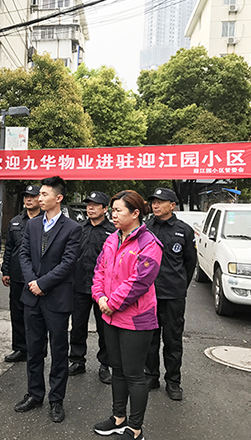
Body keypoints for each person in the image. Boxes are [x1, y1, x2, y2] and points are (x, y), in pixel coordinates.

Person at [92, 190, 162, 440]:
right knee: (118, 370)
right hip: (110, 315)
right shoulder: (112, 239)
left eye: (118, 210)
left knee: (134, 374)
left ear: (135, 213)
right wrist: (100, 296)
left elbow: (140, 281)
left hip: (136, 319)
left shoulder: (149, 243)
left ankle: (135, 428)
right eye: (112, 210)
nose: (113, 215)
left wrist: (112, 303)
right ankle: (118, 417)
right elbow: (99, 270)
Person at [15, 176, 82, 424]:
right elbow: (23, 255)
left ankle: (56, 399)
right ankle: (35, 394)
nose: (39, 198)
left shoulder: (72, 228)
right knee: (34, 349)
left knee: (58, 350)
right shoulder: (33, 225)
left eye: (44, 194)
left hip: (56, 298)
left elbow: (68, 263)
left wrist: (43, 283)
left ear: (58, 198)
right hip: (32, 297)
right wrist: (32, 281)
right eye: (39, 194)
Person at [144, 187, 197, 401]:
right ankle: (151, 376)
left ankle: (173, 381)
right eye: (153, 202)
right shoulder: (146, 228)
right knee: (150, 338)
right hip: (148, 294)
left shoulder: (184, 230)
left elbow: (190, 263)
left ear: (172, 205)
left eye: (160, 201)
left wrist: (179, 286)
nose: (155, 205)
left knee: (173, 339)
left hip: (173, 295)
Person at [69, 191, 115, 383]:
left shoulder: (113, 231)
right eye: (89, 204)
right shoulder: (79, 228)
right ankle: (77, 360)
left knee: (104, 329)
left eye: (95, 205)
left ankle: (105, 365)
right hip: (79, 285)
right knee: (78, 326)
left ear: (105, 209)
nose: (90, 208)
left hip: (103, 290)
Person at [1, 185, 42, 363]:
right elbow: (9, 247)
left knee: (35, 316)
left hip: (38, 277)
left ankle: (36, 349)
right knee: (17, 314)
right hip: (17, 275)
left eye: (32, 196)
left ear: (40, 198)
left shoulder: (46, 220)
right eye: (26, 196)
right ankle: (20, 348)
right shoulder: (16, 221)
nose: (28, 199)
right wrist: (6, 270)